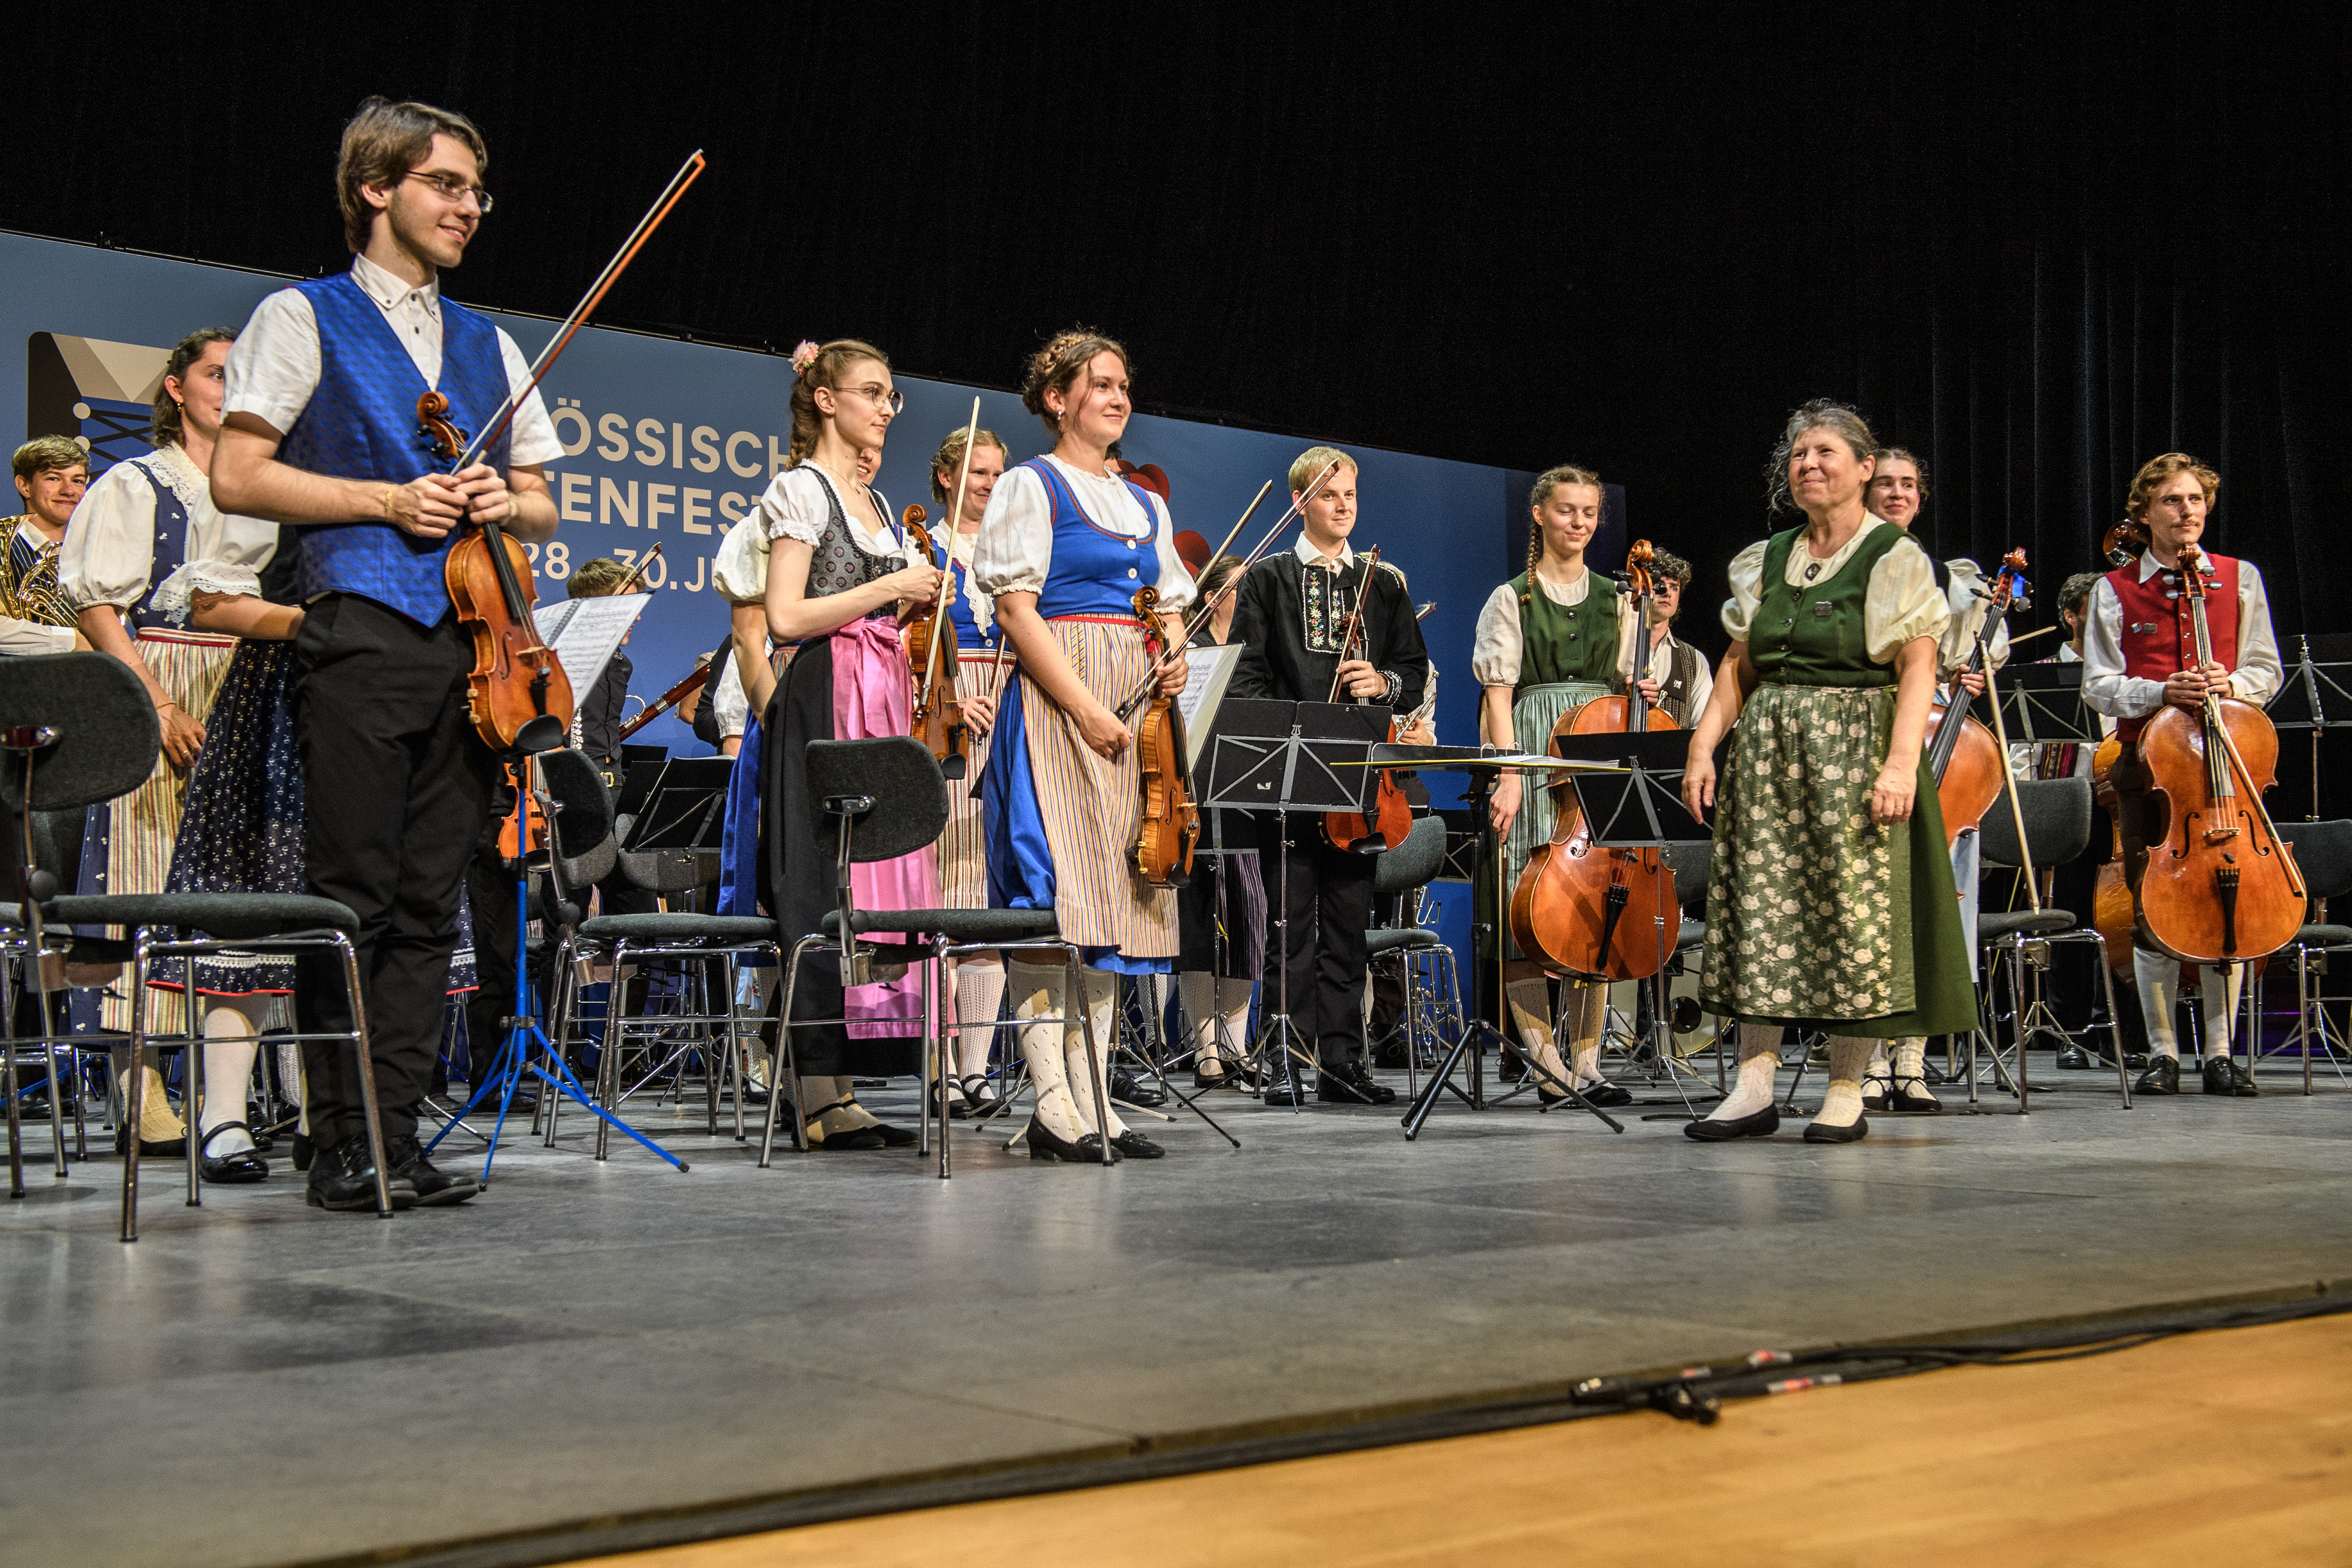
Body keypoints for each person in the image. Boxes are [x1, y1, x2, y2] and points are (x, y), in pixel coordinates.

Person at [209, 97, 563, 1211]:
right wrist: (385, 497)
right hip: (358, 626)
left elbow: (545, 501)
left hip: (470, 648)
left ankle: (396, 1132)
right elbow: (238, 474)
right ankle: (342, 1138)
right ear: (378, 187)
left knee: (427, 903)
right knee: (349, 895)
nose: (469, 206)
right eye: (447, 184)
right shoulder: (301, 316)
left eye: (475, 190)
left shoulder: (489, 340)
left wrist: (512, 497)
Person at [1681, 400, 1977, 1144]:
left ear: (1864, 467)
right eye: (1798, 455)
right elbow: (1738, 661)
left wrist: (1903, 764)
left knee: (1854, 916)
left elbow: (1917, 667)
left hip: (1856, 746)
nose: (1808, 465)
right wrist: (1702, 744)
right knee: (1760, 911)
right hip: (1771, 751)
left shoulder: (1894, 558)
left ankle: (1846, 1086)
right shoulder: (1767, 556)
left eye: (1824, 453)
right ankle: (1754, 1085)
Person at [60, 329, 284, 1164]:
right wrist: (155, 705)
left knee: (240, 887)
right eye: (218, 374)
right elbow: (97, 606)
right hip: (162, 677)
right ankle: (140, 1083)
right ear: (175, 388)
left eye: (244, 377)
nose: (232, 388)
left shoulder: (268, 490)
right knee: (147, 874)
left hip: (248, 682)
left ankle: (245, 1089)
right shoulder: (138, 483)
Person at [975, 328, 1192, 1163]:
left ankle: (1097, 1096)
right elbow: (1017, 611)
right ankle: (1053, 1100)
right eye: (1097, 384)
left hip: (1135, 709)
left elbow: (1165, 598)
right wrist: (1084, 707)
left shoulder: (1144, 501)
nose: (1115, 396)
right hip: (1061, 702)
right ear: (1057, 399)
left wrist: (1172, 653)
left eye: (1123, 385)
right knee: (1056, 899)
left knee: (1113, 904)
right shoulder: (1033, 487)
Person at [750, 339, 942, 1149]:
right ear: (826, 399)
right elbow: (786, 617)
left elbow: (866, 610)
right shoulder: (801, 488)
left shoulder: (873, 501)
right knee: (820, 888)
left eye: (893, 395)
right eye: (872, 392)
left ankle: (845, 1088)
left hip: (875, 693)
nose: (887, 407)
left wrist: (912, 607)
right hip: (823, 694)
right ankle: (813, 1091)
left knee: (870, 886)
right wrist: (890, 587)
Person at [1228, 446, 1428, 1106]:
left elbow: (1413, 671)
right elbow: (1249, 673)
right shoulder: (1267, 580)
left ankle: (1343, 1065)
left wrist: (1383, 682)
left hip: (1360, 784)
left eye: (1351, 494)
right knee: (1286, 930)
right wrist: (1287, 723)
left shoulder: (1384, 582)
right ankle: (1282, 1058)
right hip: (1287, 777)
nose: (1344, 505)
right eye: (1329, 494)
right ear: (1300, 502)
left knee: (1346, 931)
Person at [2082, 452, 2280, 1098]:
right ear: (2144, 514)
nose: (2188, 511)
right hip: (2153, 767)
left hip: (2228, 769)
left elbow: (2265, 669)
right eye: (2173, 501)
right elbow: (2099, 686)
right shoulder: (2114, 592)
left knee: (2234, 907)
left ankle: (2221, 1054)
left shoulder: (2239, 577)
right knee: (2151, 907)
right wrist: (2160, 690)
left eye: (2196, 499)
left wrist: (2233, 684)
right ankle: (2163, 1053)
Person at [1472, 466, 1639, 1107]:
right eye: (1567, 510)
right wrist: (1510, 771)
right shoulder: (1512, 597)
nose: (1579, 522)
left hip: (1594, 744)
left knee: (1596, 898)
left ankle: (1588, 1060)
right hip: (1538, 747)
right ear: (1539, 515)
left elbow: (1626, 686)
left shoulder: (1618, 598)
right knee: (1526, 902)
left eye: (1590, 512)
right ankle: (1545, 1064)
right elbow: (1498, 696)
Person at [1855, 446, 2009, 1114]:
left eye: (1908, 485)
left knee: (1933, 913)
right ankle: (1859, 1063)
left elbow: (1979, 654)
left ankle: (1911, 1064)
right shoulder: (1846, 567)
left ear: (1921, 497)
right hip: (1867, 738)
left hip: (1943, 749)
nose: (1896, 493)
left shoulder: (1955, 581)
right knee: (1866, 915)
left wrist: (1973, 675)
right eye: (1885, 483)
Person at [923, 425, 1008, 1118]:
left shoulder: (1012, 552)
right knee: (939, 897)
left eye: (996, 474)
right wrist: (953, 695)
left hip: (1008, 720)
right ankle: (935, 1068)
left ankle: (975, 1070)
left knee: (986, 903)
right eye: (977, 472)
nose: (988, 483)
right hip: (946, 725)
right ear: (947, 476)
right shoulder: (919, 548)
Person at [1175, 553, 1266, 1088]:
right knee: (1194, 921)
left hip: (1242, 797)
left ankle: (1236, 1042)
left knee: (1247, 923)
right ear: (1211, 597)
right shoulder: (1191, 650)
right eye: (1238, 587)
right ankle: (1204, 1046)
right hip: (1191, 795)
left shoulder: (1256, 654)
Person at [2, 437, 90, 650]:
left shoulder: (95, 548)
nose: (69, 491)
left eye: (78, 481)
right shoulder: (4, 541)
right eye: (54, 479)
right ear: (24, 486)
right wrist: (72, 641)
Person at [1630, 547, 1712, 727]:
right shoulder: (1618, 647)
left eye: (1674, 587)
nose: (1667, 592)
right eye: (1659, 584)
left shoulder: (1695, 661)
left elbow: (1701, 725)